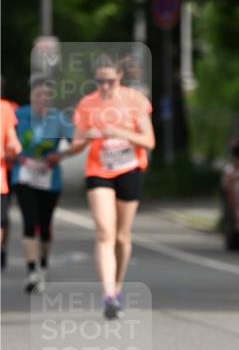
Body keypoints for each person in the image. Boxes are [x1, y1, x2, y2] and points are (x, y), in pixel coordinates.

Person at [69, 55, 155, 319]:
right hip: (99, 170)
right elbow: (75, 144)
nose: (105, 86)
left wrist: (121, 133)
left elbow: (149, 141)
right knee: (104, 232)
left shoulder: (135, 101)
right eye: (100, 81)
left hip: (129, 168)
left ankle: (117, 287)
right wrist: (86, 138)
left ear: (120, 78)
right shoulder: (87, 104)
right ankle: (108, 294)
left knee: (121, 236)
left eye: (110, 81)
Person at [12, 76, 75, 292]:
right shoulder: (19, 115)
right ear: (31, 96)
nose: (42, 99)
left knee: (45, 225)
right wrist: (13, 153)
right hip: (24, 175)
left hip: (50, 179)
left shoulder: (59, 118)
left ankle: (44, 265)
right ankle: (31, 272)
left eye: (47, 95)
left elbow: (77, 142)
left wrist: (61, 154)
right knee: (29, 221)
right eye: (38, 95)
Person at [1, 97, 21, 269]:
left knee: (3, 217)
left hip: (5, 169)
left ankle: (2, 248)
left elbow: (13, 139)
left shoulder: (7, 107)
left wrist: (14, 149)